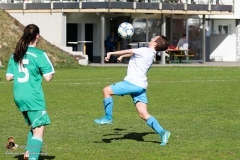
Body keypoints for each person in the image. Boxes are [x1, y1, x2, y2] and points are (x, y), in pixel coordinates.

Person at [94, 35, 171, 146]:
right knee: (143, 114)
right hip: (140, 86)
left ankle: (108, 117)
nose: (151, 39)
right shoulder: (149, 53)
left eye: (153, 38)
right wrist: (123, 57)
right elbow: (134, 53)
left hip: (132, 83)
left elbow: (130, 50)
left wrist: (112, 53)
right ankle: (163, 132)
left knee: (106, 91)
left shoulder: (145, 50)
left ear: (155, 43)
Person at [6, 24, 55, 160]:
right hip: (33, 96)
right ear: (37, 36)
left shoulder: (15, 54)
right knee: (39, 130)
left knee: (35, 126)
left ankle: (28, 153)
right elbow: (48, 77)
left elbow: (8, 77)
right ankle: (33, 157)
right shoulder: (39, 54)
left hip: (19, 96)